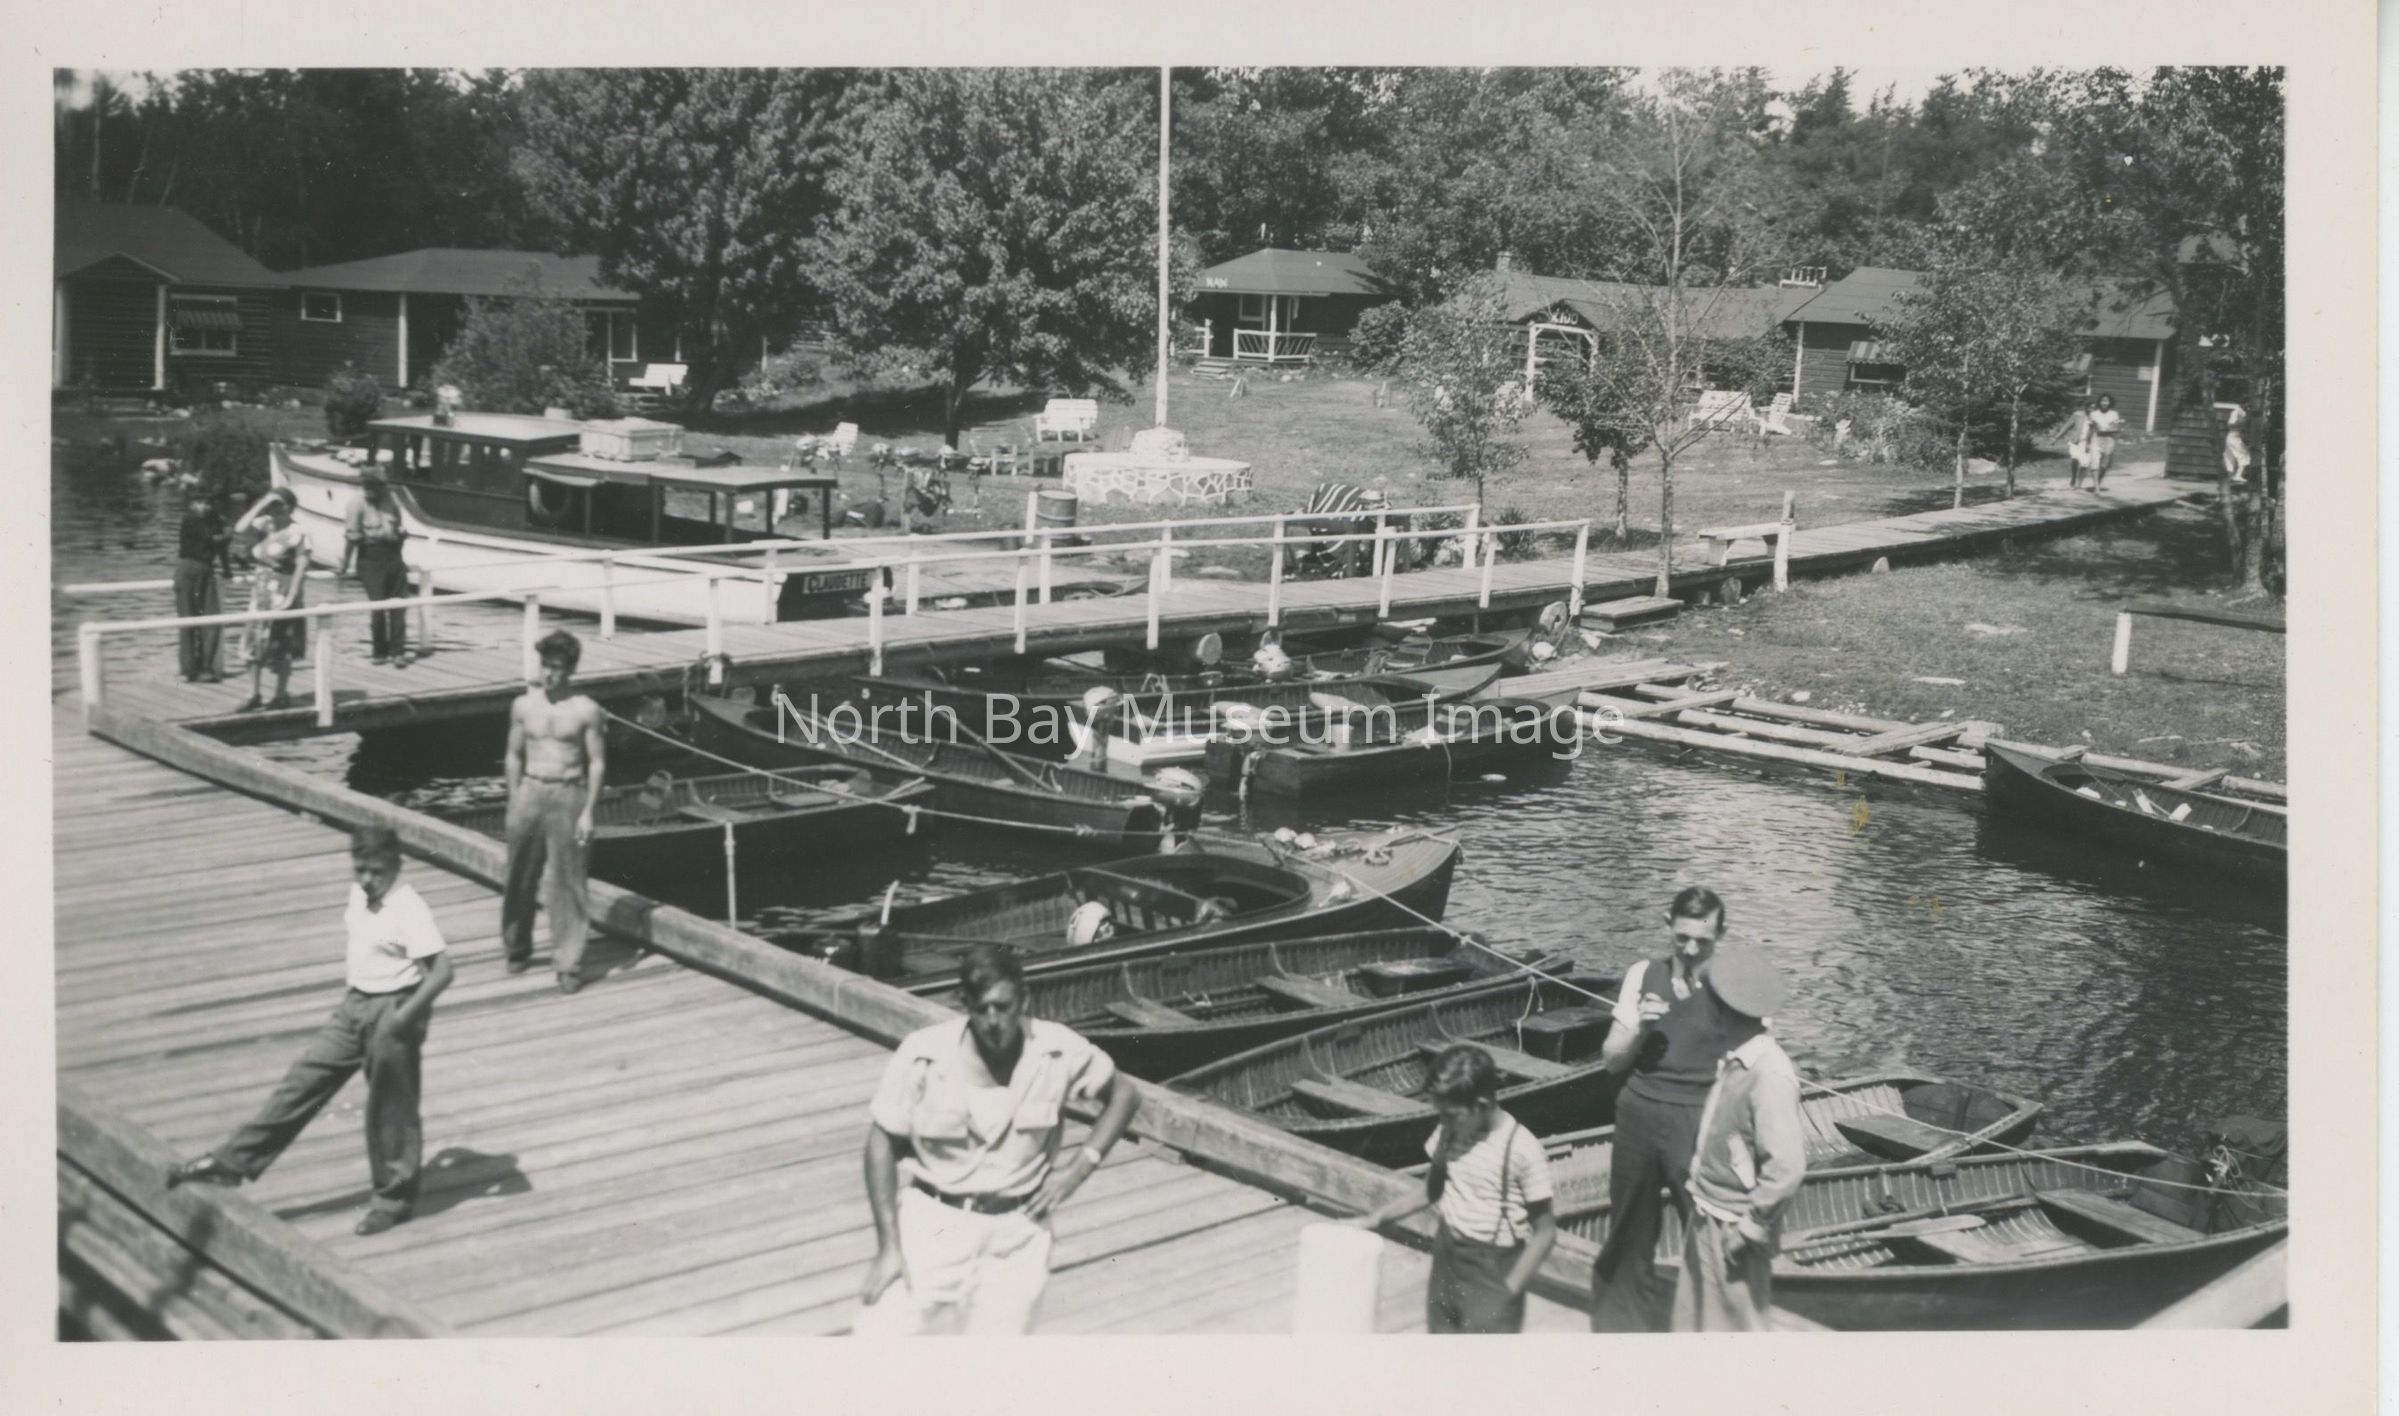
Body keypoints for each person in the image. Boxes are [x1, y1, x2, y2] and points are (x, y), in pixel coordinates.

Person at [165, 826, 454, 1236]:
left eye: (376, 871)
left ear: (396, 865)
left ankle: (393, 1199)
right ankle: (233, 1162)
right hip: (355, 1005)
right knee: (302, 1080)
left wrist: (403, 1018)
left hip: (396, 1008)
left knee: (390, 1108)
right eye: (360, 869)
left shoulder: (409, 907)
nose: (367, 879)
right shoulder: (359, 895)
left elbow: (442, 973)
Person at [857, 942, 1141, 1335]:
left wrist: (1078, 1169)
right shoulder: (923, 1054)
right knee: (877, 1338)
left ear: (1024, 1000)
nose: (993, 1020)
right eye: (981, 1008)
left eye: (1003, 1007)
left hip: (1017, 1234)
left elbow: (1124, 1095)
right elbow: (881, 1143)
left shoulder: (1057, 1050)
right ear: (965, 1003)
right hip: (934, 1224)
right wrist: (889, 1246)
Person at [1588, 885, 1743, 1332]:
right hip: (1637, 1115)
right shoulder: (1643, 974)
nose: (1691, 949)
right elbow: (1611, 1061)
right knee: (1627, 1232)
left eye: (1703, 941)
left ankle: (1710, 1333)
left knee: (1708, 1233)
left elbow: (1751, 1072)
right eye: (1682, 938)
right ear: (1667, 926)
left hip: (1699, 1120)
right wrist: (1641, 1027)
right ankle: (1621, 1332)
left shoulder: (1736, 986)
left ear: (1721, 934)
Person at [1347, 1044, 1558, 1333]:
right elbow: (1430, 1191)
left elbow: (1545, 1233)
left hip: (1493, 1270)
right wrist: (1375, 1219)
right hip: (1447, 1258)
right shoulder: (1449, 1132)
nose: (1442, 1122)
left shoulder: (1522, 1150)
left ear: (1481, 1104)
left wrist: (1508, 1291)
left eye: (1450, 1115)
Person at [1671, 946, 1805, 1332]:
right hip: (1707, 1209)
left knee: (1738, 1328)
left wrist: (1751, 1227)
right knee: (1695, 1320)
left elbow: (1787, 1167)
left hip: (1734, 1225)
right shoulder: (1737, 1057)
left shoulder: (1769, 1074)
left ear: (1723, 1012)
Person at [502, 629, 606, 993]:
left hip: (569, 792)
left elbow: (596, 762)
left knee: (568, 881)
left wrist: (588, 812)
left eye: (556, 667)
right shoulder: (523, 706)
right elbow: (513, 754)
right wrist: (514, 797)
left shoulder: (586, 710)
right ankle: (517, 946)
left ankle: (569, 962)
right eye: (545, 665)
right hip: (530, 791)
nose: (548, 674)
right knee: (519, 874)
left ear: (571, 668)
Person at [240, 497, 311, 713]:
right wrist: (262, 503)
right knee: (253, 641)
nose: (275, 509)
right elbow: (240, 528)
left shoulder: (299, 532)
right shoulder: (264, 525)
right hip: (261, 592)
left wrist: (292, 595)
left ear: (291, 506)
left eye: (280, 504)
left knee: (282, 642)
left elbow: (301, 566)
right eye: (273, 505)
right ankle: (253, 694)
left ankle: (280, 694)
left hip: (282, 590)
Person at [340, 468, 410, 664]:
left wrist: (400, 554)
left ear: (382, 485)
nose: (369, 487)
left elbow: (398, 529)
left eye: (375, 484)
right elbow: (352, 537)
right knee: (377, 605)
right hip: (370, 557)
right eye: (367, 483)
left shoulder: (391, 500)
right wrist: (344, 564)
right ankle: (379, 652)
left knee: (399, 605)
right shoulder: (356, 503)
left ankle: (398, 652)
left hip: (393, 556)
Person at [173, 490, 231, 683]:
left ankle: (207, 667)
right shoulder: (189, 520)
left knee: (212, 620)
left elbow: (221, 548)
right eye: (199, 502)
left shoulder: (216, 520)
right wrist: (229, 533)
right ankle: (188, 670)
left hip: (207, 570)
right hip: (188, 569)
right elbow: (210, 538)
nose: (204, 507)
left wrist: (227, 569)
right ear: (192, 505)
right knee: (188, 620)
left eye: (207, 503)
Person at [2086, 393, 2124, 490]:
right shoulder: (2093, 414)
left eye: (2106, 401)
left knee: (2105, 464)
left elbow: (2117, 428)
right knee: (2094, 461)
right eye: (2102, 401)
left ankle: (2098, 481)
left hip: (2109, 439)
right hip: (2096, 438)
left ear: (2110, 402)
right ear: (2099, 402)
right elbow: (2090, 429)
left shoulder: (2114, 414)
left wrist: (2112, 428)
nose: (2104, 403)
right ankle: (2096, 486)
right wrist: (2087, 442)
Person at [2222, 401, 2252, 487]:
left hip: (2236, 436)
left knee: (2231, 456)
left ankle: (2230, 479)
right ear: (2243, 403)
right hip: (2234, 436)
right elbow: (2230, 424)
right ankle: (2237, 475)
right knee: (2243, 455)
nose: (2248, 405)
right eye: (2247, 403)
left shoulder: (2244, 412)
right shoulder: (2236, 411)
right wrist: (2241, 422)